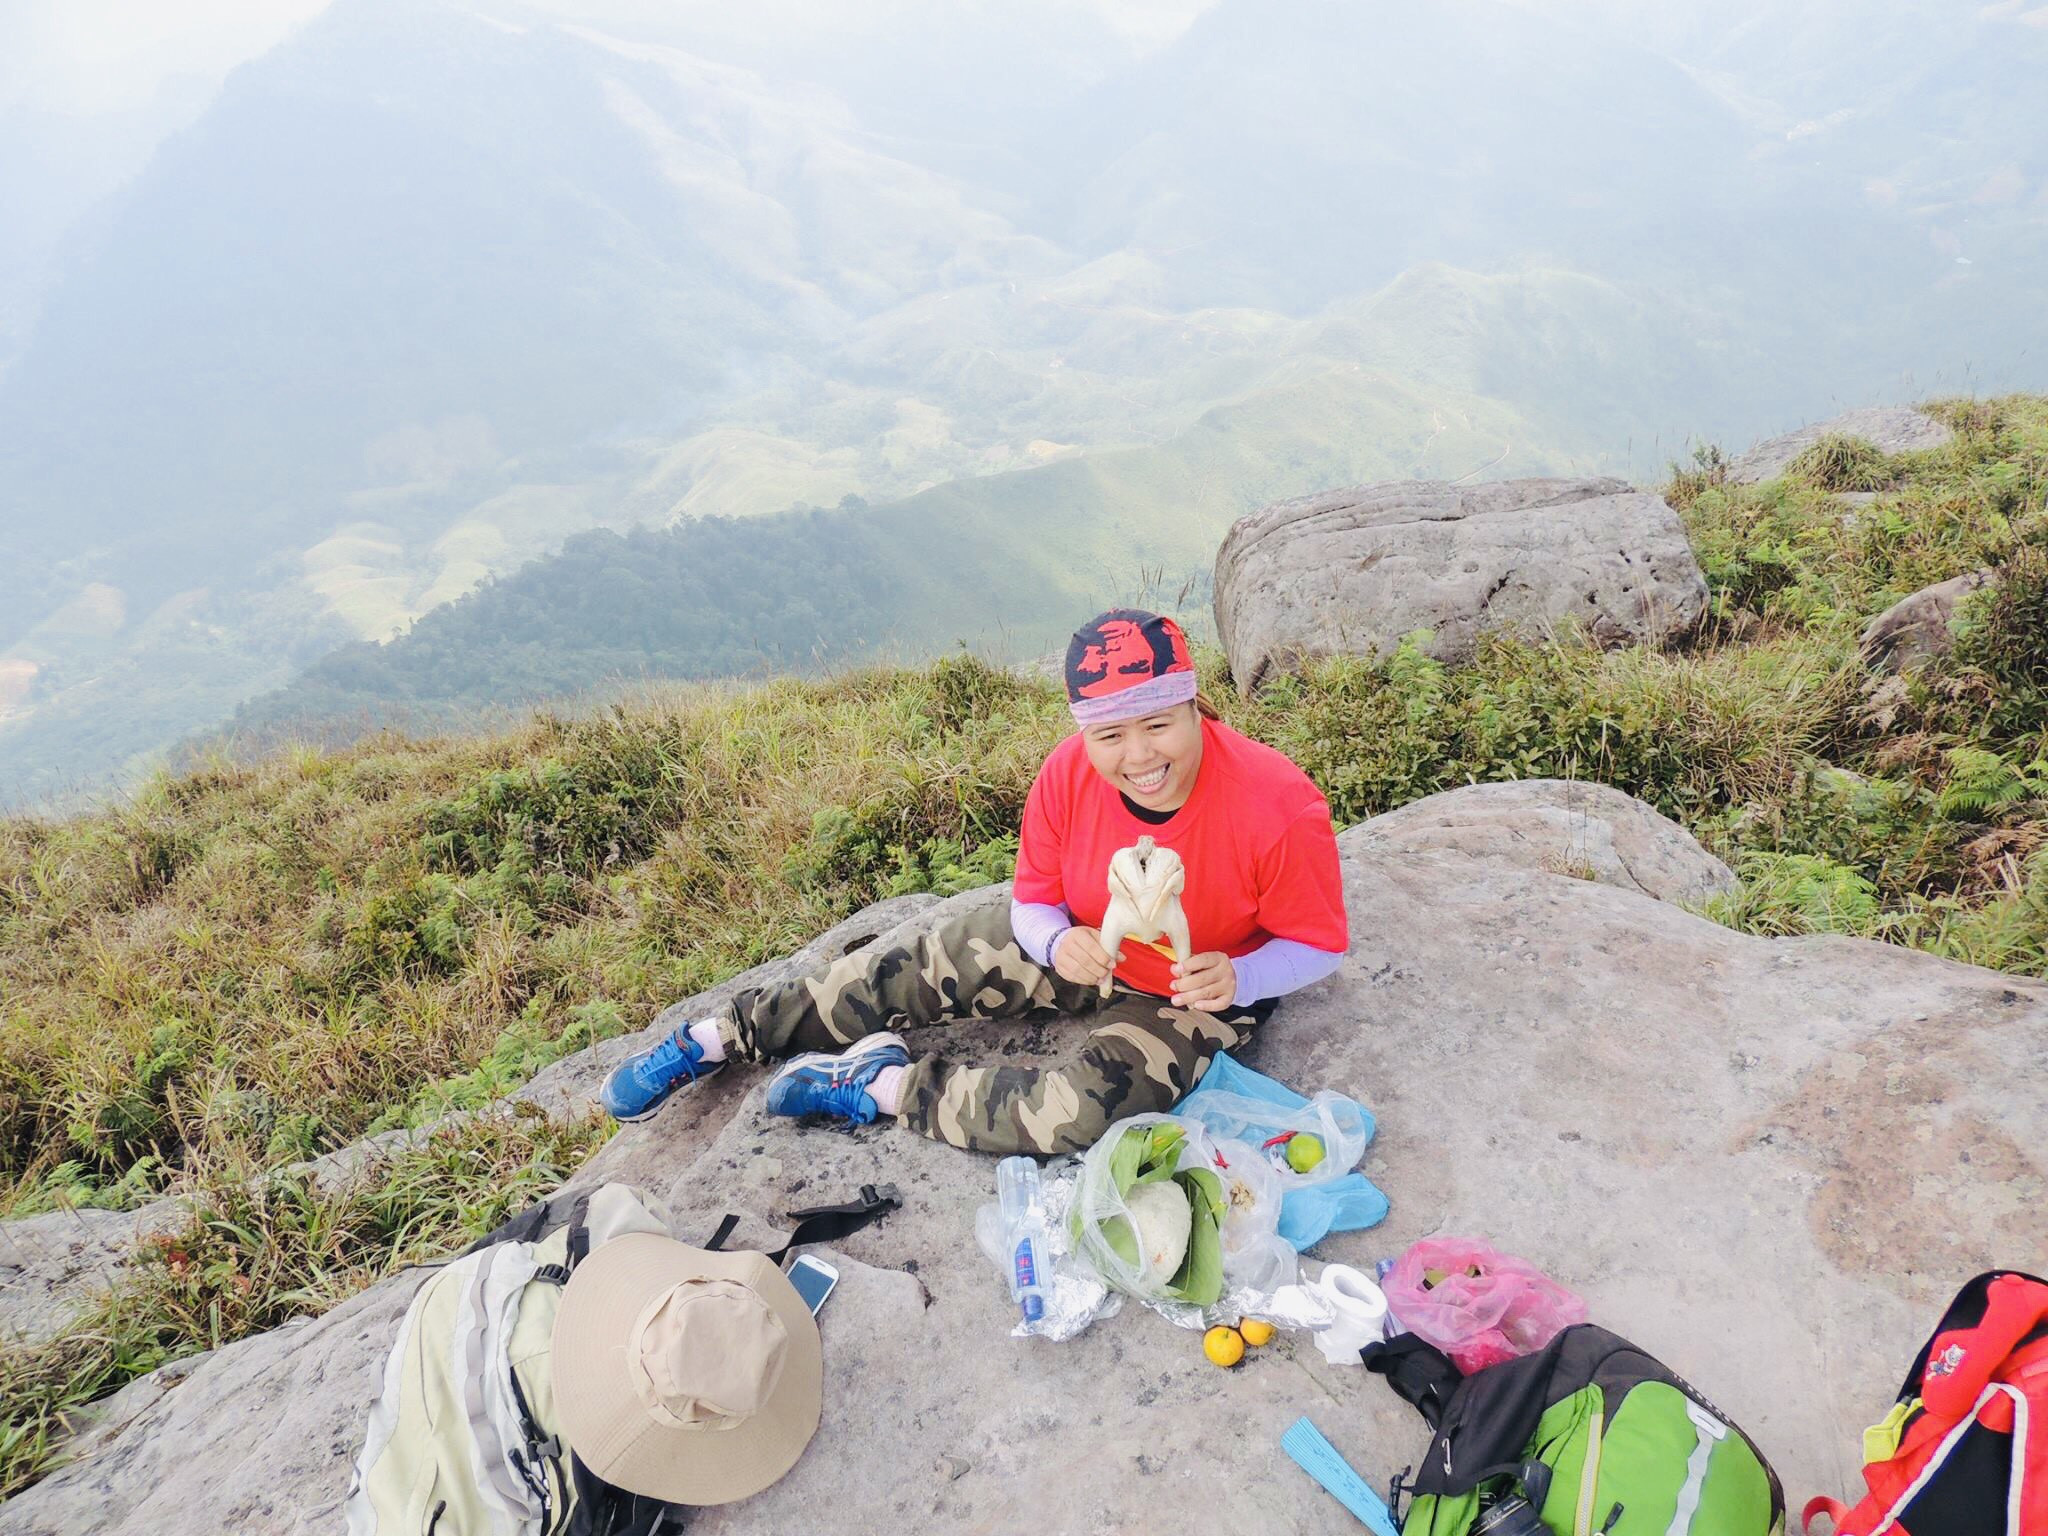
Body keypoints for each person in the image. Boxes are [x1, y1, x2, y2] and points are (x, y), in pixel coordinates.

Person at [599, 608, 1349, 1155]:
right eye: (1110, 734)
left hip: (1193, 995)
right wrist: (1057, 943)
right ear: (1084, 730)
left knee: (1079, 1115)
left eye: (1159, 724)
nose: (1138, 755)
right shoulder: (1067, 775)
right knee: (910, 962)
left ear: (1194, 706)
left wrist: (1240, 976)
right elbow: (1032, 902)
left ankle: (882, 1088)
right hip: (1085, 941)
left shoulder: (1275, 805)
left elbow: (1318, 946)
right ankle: (720, 1036)